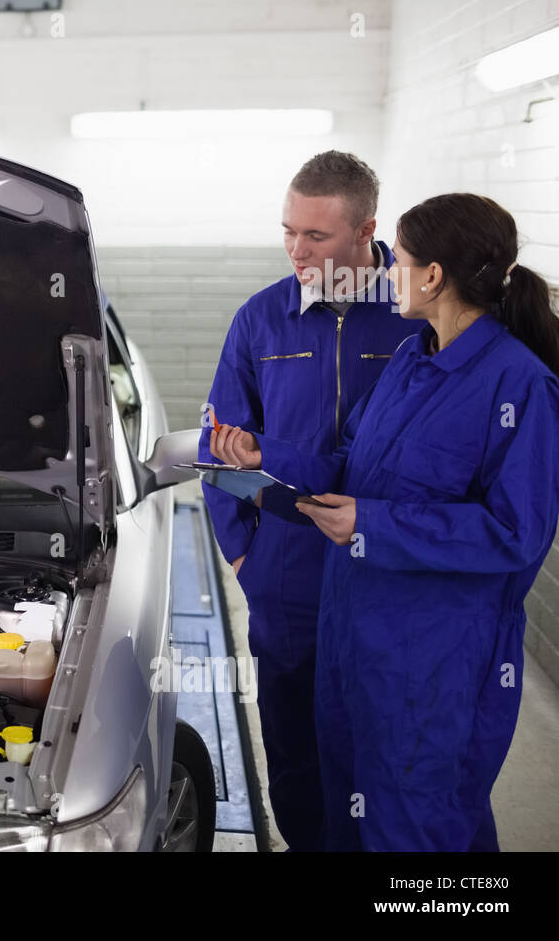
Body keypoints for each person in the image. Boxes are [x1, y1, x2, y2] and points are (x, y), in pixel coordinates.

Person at [212, 193, 559, 851]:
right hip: (357, 635)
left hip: (433, 658)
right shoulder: (410, 360)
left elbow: (517, 533)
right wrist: (265, 458)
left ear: (433, 276)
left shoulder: (519, 385)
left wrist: (372, 525)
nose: (387, 274)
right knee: (351, 807)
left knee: (417, 823)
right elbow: (350, 467)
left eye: (397, 261)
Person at [198, 152, 422, 850]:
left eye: (316, 236)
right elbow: (220, 453)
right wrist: (246, 557)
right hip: (287, 573)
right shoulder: (261, 319)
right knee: (293, 745)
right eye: (288, 232)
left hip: (389, 565)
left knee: (382, 742)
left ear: (366, 232)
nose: (296, 251)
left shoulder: (415, 313)